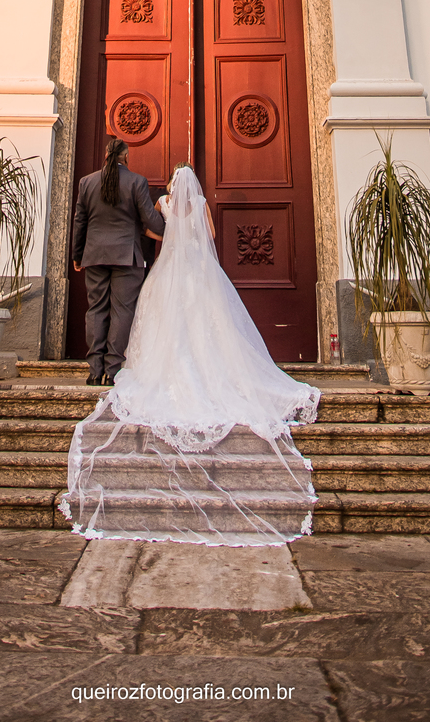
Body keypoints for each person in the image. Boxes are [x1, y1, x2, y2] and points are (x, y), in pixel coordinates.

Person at [62, 163, 321, 545]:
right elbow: (211, 236)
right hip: (198, 270)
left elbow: (155, 230)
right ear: (193, 184)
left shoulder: (163, 202)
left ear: (171, 185)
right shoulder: (199, 202)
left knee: (159, 319)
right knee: (206, 324)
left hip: (168, 269)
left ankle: (105, 364)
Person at [71, 136, 163, 386]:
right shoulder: (136, 181)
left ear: (105, 156)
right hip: (126, 256)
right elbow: (149, 219)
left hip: (95, 255)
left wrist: (77, 256)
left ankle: (94, 370)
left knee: (96, 309)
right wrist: (172, 227)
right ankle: (112, 370)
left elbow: (80, 222)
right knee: (122, 311)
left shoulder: (87, 182)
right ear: (125, 157)